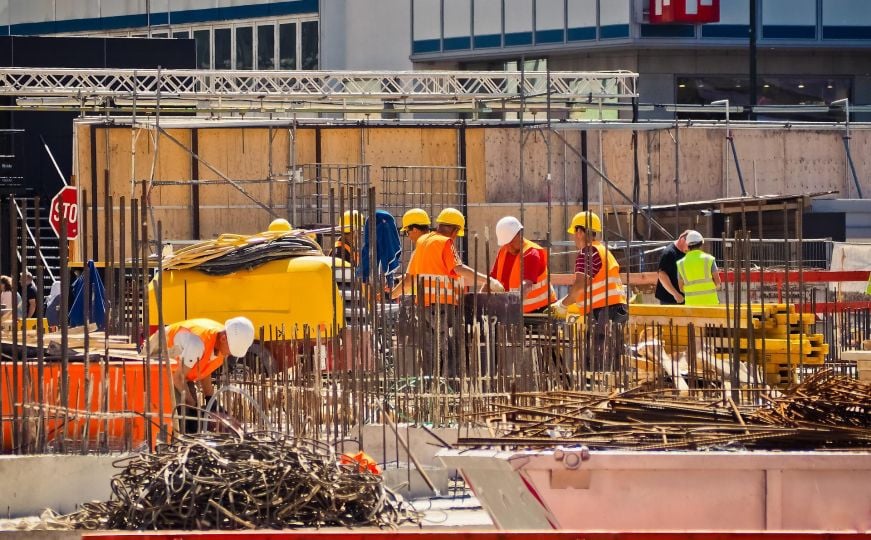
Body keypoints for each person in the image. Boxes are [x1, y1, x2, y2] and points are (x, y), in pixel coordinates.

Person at [389, 208, 503, 380]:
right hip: (444, 305)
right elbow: (459, 268)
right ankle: (449, 386)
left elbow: (410, 278)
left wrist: (391, 294)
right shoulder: (445, 243)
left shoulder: (422, 242)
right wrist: (488, 281)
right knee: (450, 348)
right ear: (455, 230)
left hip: (424, 306)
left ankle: (430, 386)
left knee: (431, 350)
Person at [149, 317, 255, 432]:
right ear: (224, 339)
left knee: (193, 418)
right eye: (231, 350)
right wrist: (196, 409)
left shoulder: (221, 342)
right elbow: (178, 378)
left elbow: (205, 370)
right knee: (183, 415)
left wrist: (212, 403)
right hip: (155, 362)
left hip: (179, 371)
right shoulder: (197, 343)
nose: (230, 354)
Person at [552, 211, 628, 368]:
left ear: (580, 232)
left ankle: (599, 391)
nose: (574, 237)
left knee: (595, 362)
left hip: (602, 312)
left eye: (574, 232)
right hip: (617, 309)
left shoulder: (588, 252)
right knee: (611, 359)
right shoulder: (602, 250)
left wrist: (563, 304)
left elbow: (580, 285)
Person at [491, 216, 556, 314]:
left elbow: (526, 285)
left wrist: (513, 304)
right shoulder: (503, 251)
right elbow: (491, 279)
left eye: (511, 242)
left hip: (539, 312)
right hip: (515, 311)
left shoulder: (532, 253)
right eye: (505, 243)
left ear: (520, 234)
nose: (509, 247)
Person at [676, 230, 721, 305]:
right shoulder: (709, 259)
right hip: (710, 303)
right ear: (701, 243)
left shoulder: (680, 263)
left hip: (691, 305)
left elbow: (681, 288)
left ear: (688, 245)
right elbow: (718, 283)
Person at [655, 230, 689, 305]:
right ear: (682, 240)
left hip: (683, 298)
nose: (690, 248)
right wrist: (675, 294)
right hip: (670, 299)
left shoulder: (685, 252)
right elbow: (662, 275)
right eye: (689, 245)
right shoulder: (669, 253)